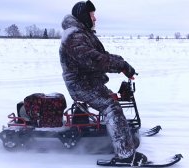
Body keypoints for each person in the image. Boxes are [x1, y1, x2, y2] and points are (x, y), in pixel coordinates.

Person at [59, 0, 147, 166]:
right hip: (81, 86)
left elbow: (101, 54)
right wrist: (121, 65)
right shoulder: (74, 37)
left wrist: (121, 62)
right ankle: (126, 155)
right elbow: (94, 59)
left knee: (112, 101)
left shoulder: (81, 33)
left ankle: (121, 134)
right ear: (84, 16)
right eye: (92, 15)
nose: (95, 18)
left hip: (89, 82)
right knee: (111, 106)